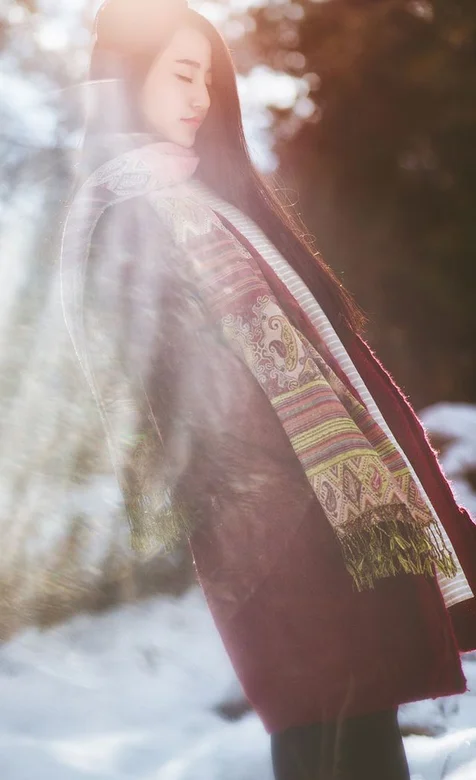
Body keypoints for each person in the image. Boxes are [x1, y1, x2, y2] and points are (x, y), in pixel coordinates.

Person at [60, 1, 476, 777]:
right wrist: (292, 522)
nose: (201, 98)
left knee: (362, 752)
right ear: (125, 76)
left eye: (211, 79)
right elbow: (180, 403)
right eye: (183, 73)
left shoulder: (202, 205)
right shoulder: (125, 216)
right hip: (283, 549)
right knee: (330, 749)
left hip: (337, 534)